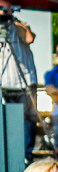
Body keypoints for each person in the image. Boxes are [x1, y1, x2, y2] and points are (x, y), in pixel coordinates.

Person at [0, 7, 37, 163]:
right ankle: (9, 158)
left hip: (25, 83)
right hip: (5, 83)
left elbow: (29, 38)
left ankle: (26, 156)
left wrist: (13, 21)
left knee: (28, 121)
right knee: (7, 123)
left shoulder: (18, 25)